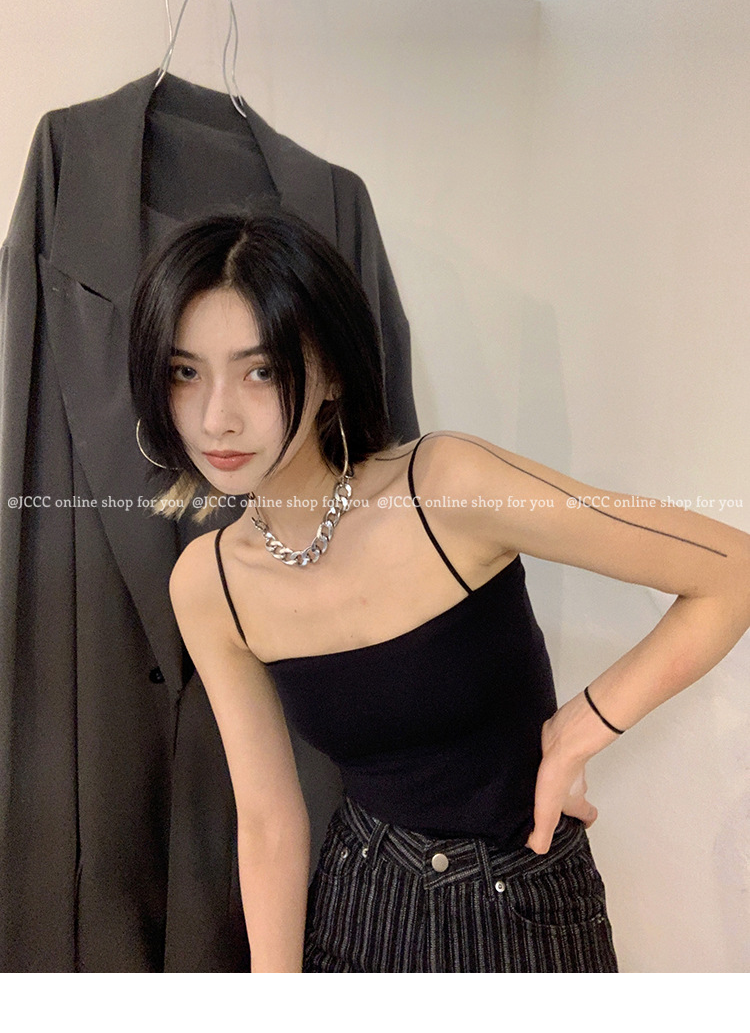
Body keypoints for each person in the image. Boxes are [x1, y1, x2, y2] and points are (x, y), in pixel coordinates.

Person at [129, 212, 750, 973]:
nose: (216, 417)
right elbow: (267, 823)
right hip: (358, 904)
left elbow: (732, 570)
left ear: (329, 372)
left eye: (260, 371)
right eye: (186, 373)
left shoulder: (448, 488)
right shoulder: (211, 584)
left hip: (521, 903)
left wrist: (579, 729)